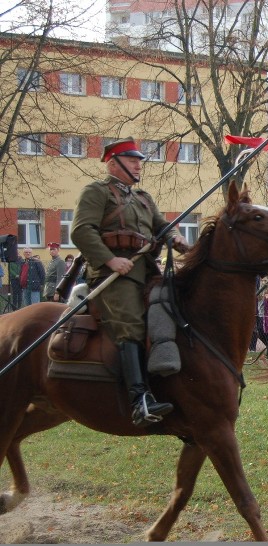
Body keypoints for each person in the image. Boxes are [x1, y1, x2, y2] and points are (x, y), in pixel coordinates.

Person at [71, 137, 187, 427]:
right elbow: (82, 231)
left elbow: (163, 227)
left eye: (139, 160)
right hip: (113, 275)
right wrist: (110, 260)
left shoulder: (143, 198)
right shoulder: (96, 192)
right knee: (130, 323)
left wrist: (177, 238)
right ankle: (139, 400)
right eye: (132, 160)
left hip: (146, 271)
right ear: (113, 163)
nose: (138, 165)